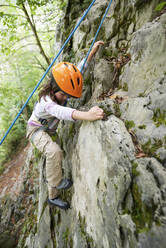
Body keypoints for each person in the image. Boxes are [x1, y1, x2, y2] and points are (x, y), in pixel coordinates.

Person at [26, 41, 104, 210]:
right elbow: (65, 113)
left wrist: (92, 51)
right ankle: (55, 184)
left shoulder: (61, 87)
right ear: (54, 89)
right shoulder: (46, 102)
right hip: (35, 129)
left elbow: (78, 70)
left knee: (55, 156)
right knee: (54, 151)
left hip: (49, 129)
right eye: (62, 94)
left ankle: (53, 197)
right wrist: (89, 115)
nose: (64, 98)